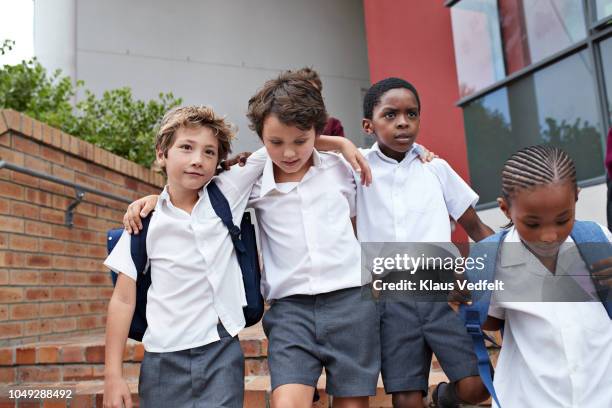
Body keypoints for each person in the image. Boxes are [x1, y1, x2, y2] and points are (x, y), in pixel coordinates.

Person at [122, 73, 380, 408]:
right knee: (287, 403)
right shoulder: (252, 179)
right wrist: (156, 200)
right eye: (275, 142)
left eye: (300, 141)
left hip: (351, 304)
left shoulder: (344, 169)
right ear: (261, 138)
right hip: (291, 312)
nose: (288, 153)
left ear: (316, 132)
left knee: (352, 404)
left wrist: (343, 145)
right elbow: (196, 190)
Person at [103, 106, 268, 408]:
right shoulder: (143, 221)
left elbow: (280, 142)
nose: (197, 160)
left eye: (209, 152)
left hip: (221, 353)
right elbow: (123, 300)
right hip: (162, 361)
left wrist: (340, 144)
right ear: (161, 154)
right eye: (186, 148)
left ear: (219, 161)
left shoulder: (227, 194)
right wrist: (112, 375)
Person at [356, 77, 492, 408]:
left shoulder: (437, 169)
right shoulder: (355, 169)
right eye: (390, 115)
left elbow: (477, 229)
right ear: (368, 125)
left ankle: (442, 398)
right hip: (390, 302)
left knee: (477, 387)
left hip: (443, 297)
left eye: (411, 114)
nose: (403, 122)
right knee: (405, 400)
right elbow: (313, 147)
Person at [453, 145, 612, 407]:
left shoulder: (598, 240)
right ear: (505, 209)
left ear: (576, 198)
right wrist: (467, 305)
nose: (550, 235)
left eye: (563, 220)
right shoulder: (492, 258)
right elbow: (492, 320)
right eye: (533, 223)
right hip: (531, 397)